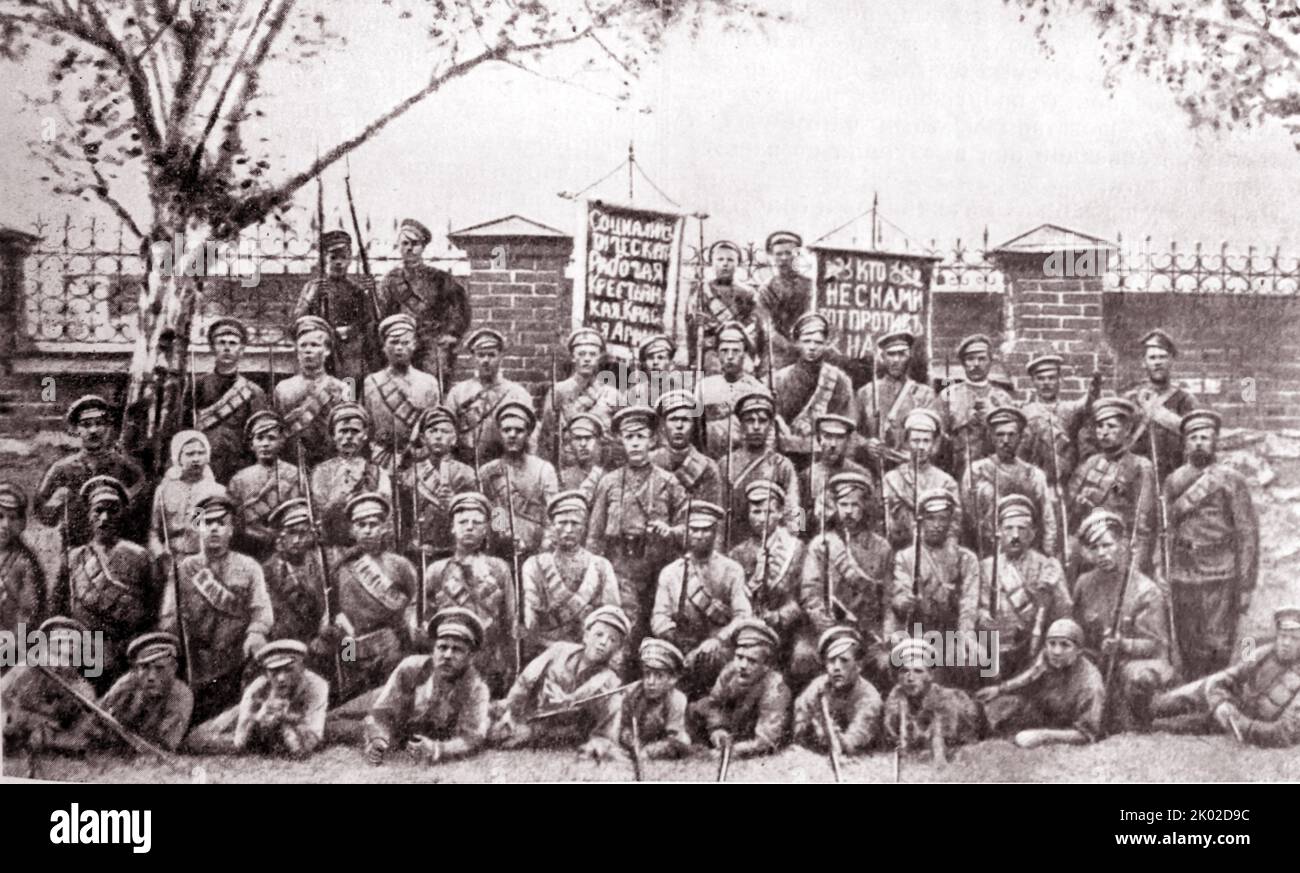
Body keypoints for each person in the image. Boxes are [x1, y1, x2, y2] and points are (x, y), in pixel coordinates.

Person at [158, 492, 273, 722]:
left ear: (231, 530)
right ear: (197, 529)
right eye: (207, 523)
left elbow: (261, 609)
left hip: (236, 658)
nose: (213, 529)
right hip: (197, 661)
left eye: (221, 523)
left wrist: (257, 633)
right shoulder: (184, 568)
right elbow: (169, 615)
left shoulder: (249, 567)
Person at [1162, 410, 1258, 679]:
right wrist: (1164, 570)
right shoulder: (1174, 481)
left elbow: (1247, 533)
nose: (1199, 442)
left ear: (1215, 442)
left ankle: (1215, 696)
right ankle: (1194, 697)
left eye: (1205, 437)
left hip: (1221, 573)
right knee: (1188, 642)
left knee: (1217, 643)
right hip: (1183, 573)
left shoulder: (1231, 480)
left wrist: (1247, 583)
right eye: (1193, 437)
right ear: (1185, 443)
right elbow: (1167, 530)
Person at [588, 406, 688, 637]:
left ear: (652, 441)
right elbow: (595, 534)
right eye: (629, 437)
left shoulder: (668, 482)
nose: (634, 443)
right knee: (625, 629)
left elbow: (688, 527)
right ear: (621, 440)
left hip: (658, 568)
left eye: (640, 437)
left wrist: (670, 531)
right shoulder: (609, 483)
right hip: (621, 569)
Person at [347, 606, 491, 766]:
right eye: (442, 647)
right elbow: (381, 713)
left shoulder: (476, 689)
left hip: (402, 724)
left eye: (457, 649)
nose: (448, 655)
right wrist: (378, 739)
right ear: (434, 650)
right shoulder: (411, 668)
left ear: (470, 656)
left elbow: (472, 738)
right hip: (384, 698)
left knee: (340, 728)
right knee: (334, 718)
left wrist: (438, 749)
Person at [1071, 509, 1174, 732]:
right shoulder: (1084, 584)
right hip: (1097, 660)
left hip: (1136, 662)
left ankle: (1140, 723)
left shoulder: (1145, 590)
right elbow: (1078, 630)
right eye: (1094, 547)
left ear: (1122, 545)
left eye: (1107, 545)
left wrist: (1123, 644)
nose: (1101, 553)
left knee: (1138, 679)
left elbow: (1156, 645)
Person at [54, 475, 158, 688]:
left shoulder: (140, 557)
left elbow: (152, 610)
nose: (105, 518)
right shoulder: (74, 558)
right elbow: (59, 609)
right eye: (98, 511)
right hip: (82, 651)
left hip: (127, 651)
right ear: (89, 516)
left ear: (123, 514)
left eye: (113, 511)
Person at [488, 605, 631, 759]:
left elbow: (607, 729)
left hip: (555, 731)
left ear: (618, 649)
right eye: (599, 634)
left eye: (612, 640)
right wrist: (512, 713)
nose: (604, 642)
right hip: (520, 709)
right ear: (586, 635)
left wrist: (601, 742)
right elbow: (525, 682)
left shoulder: (610, 682)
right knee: (488, 727)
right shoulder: (559, 651)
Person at [1151, 606, 1300, 747]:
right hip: (1230, 710)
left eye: (1294, 638)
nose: (1286, 643)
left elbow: (1286, 732)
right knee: (1162, 712)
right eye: (1283, 636)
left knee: (1167, 725)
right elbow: (1226, 678)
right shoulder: (1262, 654)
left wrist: (1243, 725)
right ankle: (1146, 710)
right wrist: (1220, 703)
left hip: (1247, 725)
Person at [317, 492, 417, 700]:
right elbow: (332, 611)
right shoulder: (341, 569)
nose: (368, 531)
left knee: (389, 697)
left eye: (373, 524)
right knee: (351, 692)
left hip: (388, 645)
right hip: (350, 643)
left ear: (384, 528)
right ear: (352, 530)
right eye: (361, 525)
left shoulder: (400, 565)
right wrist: (327, 628)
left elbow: (413, 606)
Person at [799, 471, 893, 686]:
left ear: (865, 508)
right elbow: (810, 594)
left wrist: (887, 634)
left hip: (867, 630)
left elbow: (888, 600)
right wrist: (828, 629)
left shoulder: (881, 548)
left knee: (886, 662)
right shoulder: (821, 544)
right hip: (828, 628)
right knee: (802, 657)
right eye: (843, 505)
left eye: (855, 505)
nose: (849, 511)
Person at [418, 492, 516, 696]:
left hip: (489, 662)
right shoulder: (437, 570)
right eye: (463, 522)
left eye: (477, 522)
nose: (470, 527)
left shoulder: (499, 568)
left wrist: (509, 664)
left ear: (486, 530)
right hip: (449, 661)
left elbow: (510, 619)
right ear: (453, 528)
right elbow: (423, 619)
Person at [651, 500, 752, 695]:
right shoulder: (670, 573)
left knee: (713, 662)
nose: (699, 536)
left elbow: (743, 615)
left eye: (706, 530)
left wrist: (718, 640)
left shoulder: (731, 570)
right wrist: (674, 638)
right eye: (694, 530)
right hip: (680, 644)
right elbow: (659, 617)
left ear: (715, 532)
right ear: (686, 532)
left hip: (716, 648)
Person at [884, 490, 982, 682]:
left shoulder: (966, 559)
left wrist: (966, 637)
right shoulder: (905, 557)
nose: (937, 525)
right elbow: (898, 595)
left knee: (976, 662)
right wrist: (904, 602)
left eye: (943, 519)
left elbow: (969, 605)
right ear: (920, 522)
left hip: (952, 632)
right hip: (917, 632)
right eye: (930, 519)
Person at [975, 495, 1073, 681]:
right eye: (1009, 528)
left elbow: (1065, 615)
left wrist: (1052, 591)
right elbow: (973, 609)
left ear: (1032, 533)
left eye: (1022, 529)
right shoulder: (985, 567)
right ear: (999, 533)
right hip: (994, 649)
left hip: (1033, 650)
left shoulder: (1046, 566)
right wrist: (983, 617)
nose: (1015, 536)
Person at [520, 491, 620, 661]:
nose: (568, 529)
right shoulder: (534, 565)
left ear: (585, 526)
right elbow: (531, 619)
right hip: (546, 653)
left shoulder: (601, 566)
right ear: (552, 526)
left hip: (590, 655)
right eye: (562, 523)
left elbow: (612, 617)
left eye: (575, 523)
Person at [36, 395, 145, 549]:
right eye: (86, 425)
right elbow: (42, 513)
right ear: (76, 429)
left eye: (99, 424)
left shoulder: (126, 467)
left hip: (115, 548)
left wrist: (125, 500)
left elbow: (141, 505)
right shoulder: (61, 469)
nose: (93, 430)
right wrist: (55, 503)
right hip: (74, 548)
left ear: (108, 427)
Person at [186, 639, 329, 758]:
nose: (281, 678)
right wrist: (259, 718)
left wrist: (283, 719)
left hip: (301, 724)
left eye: (288, 669)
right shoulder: (258, 688)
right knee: (197, 739)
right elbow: (240, 741)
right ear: (266, 673)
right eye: (274, 671)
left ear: (302, 667)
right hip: (250, 718)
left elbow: (311, 741)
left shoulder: (316, 686)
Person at [977, 617, 1104, 748]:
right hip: (1044, 714)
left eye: (1065, 645)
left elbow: (1086, 734)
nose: (1056, 651)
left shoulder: (1090, 683)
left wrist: (1041, 736)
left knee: (1021, 738)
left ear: (1078, 651)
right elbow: (1030, 676)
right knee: (1002, 706)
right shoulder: (1048, 657)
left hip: (1064, 727)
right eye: (1052, 643)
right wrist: (1000, 689)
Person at [1067, 397, 1157, 574]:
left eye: (1111, 426)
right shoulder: (1090, 463)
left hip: (1119, 552)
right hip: (1088, 552)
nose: (1104, 432)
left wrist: (1136, 566)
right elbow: (1071, 512)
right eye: (1100, 426)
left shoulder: (1139, 466)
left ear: (1127, 430)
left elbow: (1143, 523)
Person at [377, 218, 471, 379]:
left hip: (431, 345)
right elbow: (381, 314)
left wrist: (451, 334)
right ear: (399, 246)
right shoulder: (390, 281)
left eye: (415, 244)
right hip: (402, 342)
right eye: (405, 244)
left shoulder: (439, 278)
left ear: (423, 247)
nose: (409, 249)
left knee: (433, 387)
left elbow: (460, 308)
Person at [960, 406, 1058, 559]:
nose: (1005, 441)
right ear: (992, 437)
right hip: (986, 554)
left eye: (1011, 435)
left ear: (1020, 437)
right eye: (1000, 435)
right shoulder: (976, 472)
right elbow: (967, 518)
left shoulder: (1033, 475)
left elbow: (1047, 518)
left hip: (1025, 553)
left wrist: (1048, 554)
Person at [687, 618, 791, 758]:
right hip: (733, 729)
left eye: (751, 660)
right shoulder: (730, 672)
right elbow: (714, 704)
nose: (742, 665)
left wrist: (730, 752)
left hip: (750, 736)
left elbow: (766, 741)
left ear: (766, 664)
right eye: (739, 657)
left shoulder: (776, 688)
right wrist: (718, 729)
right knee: (697, 707)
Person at [728, 481, 804, 671]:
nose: (762, 519)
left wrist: (778, 617)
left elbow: (803, 597)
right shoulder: (737, 553)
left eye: (769, 512)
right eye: (756, 512)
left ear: (779, 514)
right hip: (749, 627)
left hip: (785, 629)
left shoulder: (796, 548)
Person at [292, 229, 381, 386]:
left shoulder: (356, 290)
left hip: (349, 353)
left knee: (349, 389)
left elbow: (369, 322)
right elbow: (296, 322)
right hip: (321, 352)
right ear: (325, 259)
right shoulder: (313, 287)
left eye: (344, 258)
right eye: (333, 258)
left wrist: (371, 294)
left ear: (350, 260)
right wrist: (311, 297)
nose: (339, 263)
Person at [1, 616, 98, 755]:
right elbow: (3, 697)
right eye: (60, 642)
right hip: (17, 726)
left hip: (52, 734)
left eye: (74, 644)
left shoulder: (82, 687)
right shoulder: (26, 669)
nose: (69, 648)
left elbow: (83, 724)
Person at [85, 631, 193, 752]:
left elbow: (162, 747)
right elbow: (95, 720)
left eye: (160, 668)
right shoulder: (126, 684)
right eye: (145, 668)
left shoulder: (181, 696)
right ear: (136, 670)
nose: (151, 676)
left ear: (173, 668)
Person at [191, 317, 270, 482]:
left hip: (240, 470)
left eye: (233, 343)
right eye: (221, 342)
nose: (227, 348)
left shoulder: (254, 392)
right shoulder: (197, 385)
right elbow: (185, 429)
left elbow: (260, 435)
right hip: (204, 468)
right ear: (213, 348)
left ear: (241, 350)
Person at [480, 401, 559, 562]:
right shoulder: (488, 472)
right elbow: (493, 510)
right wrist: (504, 534)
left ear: (528, 433)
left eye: (519, 430)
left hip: (537, 554)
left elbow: (553, 516)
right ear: (499, 433)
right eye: (506, 430)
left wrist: (544, 549)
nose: (512, 435)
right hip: (499, 554)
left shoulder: (544, 469)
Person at [308, 402, 391, 555]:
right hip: (334, 548)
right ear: (333, 435)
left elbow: (385, 513)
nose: (348, 437)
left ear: (364, 435)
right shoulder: (321, 472)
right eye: (343, 431)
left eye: (354, 431)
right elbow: (321, 510)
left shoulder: (378, 473)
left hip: (368, 548)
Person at [362, 313, 441, 470]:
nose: (399, 348)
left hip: (418, 460)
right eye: (393, 342)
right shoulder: (371, 383)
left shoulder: (429, 382)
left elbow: (435, 425)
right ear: (384, 347)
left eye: (405, 342)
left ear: (414, 345)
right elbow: (366, 426)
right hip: (381, 460)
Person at [772, 312, 856, 460]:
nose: (812, 347)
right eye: (806, 341)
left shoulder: (840, 381)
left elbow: (848, 425)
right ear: (797, 343)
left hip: (824, 456)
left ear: (826, 344)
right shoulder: (780, 378)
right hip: (784, 456)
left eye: (818, 342)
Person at [443, 328, 534, 464]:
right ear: (473, 357)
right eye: (480, 355)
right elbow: (447, 433)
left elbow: (530, 441)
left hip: (505, 469)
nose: (486, 360)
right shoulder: (458, 393)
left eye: (491, 355)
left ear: (501, 356)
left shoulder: (517, 394)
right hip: (466, 467)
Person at [931, 334, 1014, 481]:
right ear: (963, 362)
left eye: (982, 358)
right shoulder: (949, 395)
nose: (976, 364)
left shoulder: (1002, 398)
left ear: (990, 361)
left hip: (995, 475)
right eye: (970, 359)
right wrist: (963, 422)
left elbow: (1014, 441)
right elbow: (935, 438)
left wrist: (992, 420)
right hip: (957, 472)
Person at [724, 391, 802, 546]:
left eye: (762, 421)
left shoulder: (782, 465)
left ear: (771, 424)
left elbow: (796, 511)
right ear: (741, 424)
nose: (756, 427)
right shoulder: (726, 464)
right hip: (734, 543)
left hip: (772, 544)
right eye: (749, 421)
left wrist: (793, 541)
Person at [882, 637, 981, 760]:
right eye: (904, 671)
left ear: (930, 675)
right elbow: (894, 736)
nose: (910, 678)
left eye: (918, 671)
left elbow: (944, 741)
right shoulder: (896, 698)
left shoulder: (945, 700)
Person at [273, 315, 352, 467]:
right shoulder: (282, 388)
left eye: (315, 345)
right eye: (303, 345)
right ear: (297, 349)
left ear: (327, 350)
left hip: (328, 462)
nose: (308, 350)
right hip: (291, 464)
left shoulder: (341, 388)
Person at [792, 626, 883, 755]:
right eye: (831, 661)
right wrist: (813, 729)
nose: (836, 668)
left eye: (844, 661)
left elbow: (852, 742)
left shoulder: (869, 698)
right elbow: (799, 729)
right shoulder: (818, 687)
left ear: (859, 666)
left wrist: (833, 735)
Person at [538, 327, 620, 470]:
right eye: (581, 354)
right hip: (566, 470)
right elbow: (546, 439)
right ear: (573, 357)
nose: (587, 359)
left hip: (601, 471)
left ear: (599, 357)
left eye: (592, 354)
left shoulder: (612, 395)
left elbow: (619, 441)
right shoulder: (558, 392)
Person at [227, 410, 304, 561]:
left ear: (281, 442)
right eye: (260, 438)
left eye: (271, 438)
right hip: (251, 548)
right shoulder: (239, 479)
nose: (265, 444)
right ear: (251, 444)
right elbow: (235, 521)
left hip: (288, 545)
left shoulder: (294, 474)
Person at [881, 409, 962, 551]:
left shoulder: (946, 482)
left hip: (936, 551)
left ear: (934, 444)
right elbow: (884, 520)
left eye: (926, 441)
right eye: (915, 440)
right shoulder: (891, 479)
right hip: (899, 549)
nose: (921, 447)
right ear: (906, 442)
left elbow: (954, 525)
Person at [1123, 328, 1197, 483]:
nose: (1157, 362)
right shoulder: (1130, 399)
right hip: (1137, 479)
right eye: (1152, 358)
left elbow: (1195, 437)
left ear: (1171, 360)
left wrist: (1158, 413)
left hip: (1175, 478)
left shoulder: (1186, 400)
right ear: (1144, 363)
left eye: (1163, 357)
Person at [1017, 353, 1097, 496]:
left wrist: (1093, 391)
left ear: (1060, 380)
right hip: (1037, 483)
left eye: (1051, 378)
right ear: (1033, 382)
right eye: (1040, 379)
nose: (1046, 383)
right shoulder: (1026, 413)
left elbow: (1087, 405)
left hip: (1068, 484)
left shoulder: (1070, 409)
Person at [685, 240, 768, 377]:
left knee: (746, 371)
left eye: (730, 260)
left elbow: (754, 327)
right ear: (712, 263)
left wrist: (736, 332)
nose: (725, 264)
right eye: (720, 259)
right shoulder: (700, 291)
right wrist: (698, 322)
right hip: (712, 349)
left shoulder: (748, 293)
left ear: (738, 263)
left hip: (739, 346)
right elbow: (692, 326)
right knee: (715, 372)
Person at [405, 405, 477, 561]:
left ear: (454, 438)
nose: (438, 436)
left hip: (456, 549)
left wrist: (454, 502)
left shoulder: (467, 475)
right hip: (420, 551)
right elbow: (405, 519)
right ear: (423, 438)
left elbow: (477, 514)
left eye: (445, 431)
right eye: (433, 431)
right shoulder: (410, 475)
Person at [855, 331, 935, 472]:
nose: (896, 360)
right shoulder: (866, 392)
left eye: (901, 354)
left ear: (909, 356)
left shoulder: (924, 394)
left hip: (911, 470)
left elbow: (934, 437)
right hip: (873, 469)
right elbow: (850, 432)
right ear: (883, 357)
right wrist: (866, 443)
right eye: (891, 354)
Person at [696, 322, 770, 460]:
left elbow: (768, 437)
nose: (730, 356)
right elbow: (696, 432)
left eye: (736, 351)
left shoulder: (758, 389)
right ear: (717, 354)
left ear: (745, 353)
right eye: (724, 351)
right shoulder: (704, 387)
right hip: (710, 462)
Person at [260, 498, 328, 646]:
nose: (297, 540)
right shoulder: (268, 573)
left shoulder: (323, 563)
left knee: (348, 650)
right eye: (291, 533)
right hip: (290, 645)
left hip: (326, 643)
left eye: (303, 533)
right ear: (280, 537)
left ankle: (350, 662)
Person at [149, 430, 224, 561]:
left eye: (201, 453)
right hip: (172, 559)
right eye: (189, 454)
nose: (196, 459)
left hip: (206, 561)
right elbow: (154, 532)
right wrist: (160, 554)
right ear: (178, 458)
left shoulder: (217, 492)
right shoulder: (164, 490)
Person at [620, 637, 691, 760]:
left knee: (682, 741)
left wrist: (649, 751)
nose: (651, 682)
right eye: (647, 674)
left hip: (663, 743)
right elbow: (624, 724)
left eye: (659, 676)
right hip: (637, 742)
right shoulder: (633, 693)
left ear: (671, 679)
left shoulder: (677, 699)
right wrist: (629, 738)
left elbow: (674, 737)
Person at [802, 413, 870, 535]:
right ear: (819, 439)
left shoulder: (861, 474)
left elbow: (870, 518)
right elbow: (799, 516)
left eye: (839, 438)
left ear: (848, 440)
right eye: (827, 437)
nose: (833, 444)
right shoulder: (807, 476)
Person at [651, 390, 723, 504]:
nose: (679, 425)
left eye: (685, 420)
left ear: (694, 426)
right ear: (663, 426)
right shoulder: (651, 462)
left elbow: (712, 514)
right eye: (673, 419)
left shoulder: (708, 467)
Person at [757, 230, 813, 372]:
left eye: (789, 253)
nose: (783, 258)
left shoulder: (810, 285)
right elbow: (768, 329)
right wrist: (790, 347)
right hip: (779, 350)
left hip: (809, 345)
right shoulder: (766, 290)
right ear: (771, 257)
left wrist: (805, 344)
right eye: (778, 254)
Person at [0, 482, 46, 636]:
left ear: (21, 523)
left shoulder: (25, 563)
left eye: (12, 518)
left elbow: (28, 611)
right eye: (0, 516)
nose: (5, 525)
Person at [624, 333, 689, 412]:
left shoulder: (681, 392)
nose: (655, 362)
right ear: (644, 362)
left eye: (660, 357)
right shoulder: (633, 394)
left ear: (670, 362)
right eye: (650, 358)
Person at [558, 412, 608, 501]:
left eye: (588, 438)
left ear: (599, 441)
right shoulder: (563, 478)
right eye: (577, 438)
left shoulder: (607, 478)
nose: (583, 444)